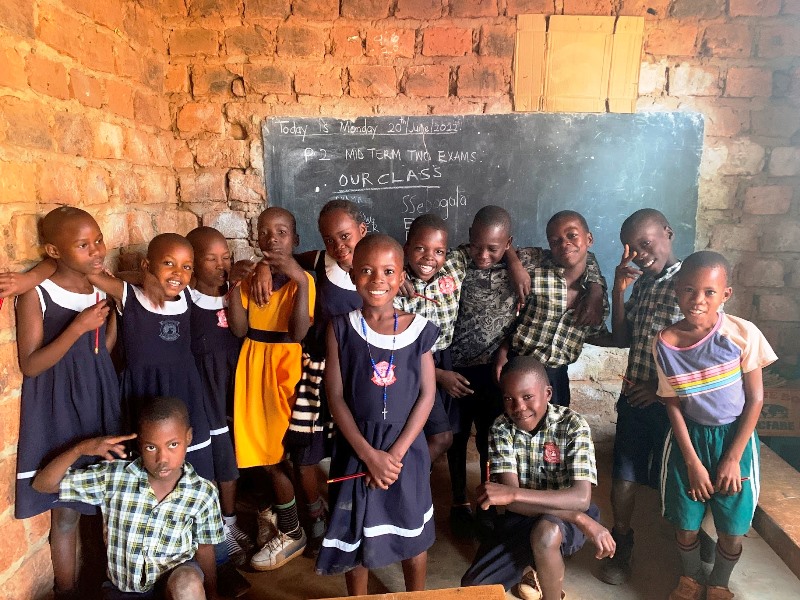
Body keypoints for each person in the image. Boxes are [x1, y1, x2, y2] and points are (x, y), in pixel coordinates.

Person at [316, 234, 439, 596]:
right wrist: (370, 456)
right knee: (355, 527)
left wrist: (394, 456)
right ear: (353, 275)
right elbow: (335, 397)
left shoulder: (418, 329)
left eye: (388, 271)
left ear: (402, 278)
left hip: (405, 451)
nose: (378, 280)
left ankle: (414, 594)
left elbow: (428, 394)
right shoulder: (340, 328)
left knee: (411, 528)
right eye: (366, 271)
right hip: (357, 447)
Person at [12, 207, 121, 600]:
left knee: (106, 496)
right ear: (53, 251)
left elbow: (100, 347)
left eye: (97, 240)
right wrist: (78, 326)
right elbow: (31, 364)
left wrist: (101, 341)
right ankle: (67, 591)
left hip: (98, 397)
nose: (96, 251)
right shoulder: (36, 292)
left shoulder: (98, 285)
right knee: (66, 512)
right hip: (59, 407)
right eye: (83, 245)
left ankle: (108, 581)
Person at [654, 251, 777, 600]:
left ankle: (720, 582)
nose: (698, 300)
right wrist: (692, 462)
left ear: (726, 295)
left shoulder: (742, 334)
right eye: (689, 290)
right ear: (676, 290)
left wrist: (733, 457)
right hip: (688, 438)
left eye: (709, 292)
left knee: (733, 525)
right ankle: (691, 578)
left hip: (735, 438)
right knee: (686, 521)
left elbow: (754, 400)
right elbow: (673, 404)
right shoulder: (663, 343)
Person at [32, 396, 224, 600]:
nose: (162, 459)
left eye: (173, 444)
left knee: (188, 585)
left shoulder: (202, 493)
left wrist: (211, 594)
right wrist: (80, 449)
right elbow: (43, 484)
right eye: (151, 447)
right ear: (140, 444)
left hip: (173, 585)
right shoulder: (115, 477)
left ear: (188, 437)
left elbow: (204, 549)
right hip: (123, 590)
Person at [461, 356, 615, 600]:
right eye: (509, 399)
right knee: (473, 586)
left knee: (546, 533)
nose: (518, 407)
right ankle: (532, 567)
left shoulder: (573, 425)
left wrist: (513, 493)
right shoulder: (502, 428)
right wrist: (576, 516)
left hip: (561, 524)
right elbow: (513, 503)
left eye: (527, 397)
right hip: (524, 516)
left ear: (548, 393)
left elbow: (581, 498)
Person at [227, 207, 315, 571]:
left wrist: (300, 281)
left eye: (281, 232)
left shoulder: (304, 279)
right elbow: (238, 329)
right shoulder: (249, 277)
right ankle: (283, 521)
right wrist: (234, 285)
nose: (272, 239)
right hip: (253, 367)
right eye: (264, 232)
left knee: (278, 456)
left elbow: (297, 333)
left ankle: (294, 531)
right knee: (261, 453)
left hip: (285, 369)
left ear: (294, 239)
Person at [89, 233, 216, 482]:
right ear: (147, 265)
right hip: (141, 390)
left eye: (186, 267)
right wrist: (141, 278)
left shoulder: (188, 295)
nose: (178, 273)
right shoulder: (130, 296)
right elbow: (89, 274)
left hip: (184, 389)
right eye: (168, 263)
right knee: (147, 459)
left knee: (193, 461)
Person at [600, 208, 684, 585]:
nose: (640, 254)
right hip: (635, 396)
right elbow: (621, 339)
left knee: (676, 479)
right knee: (624, 475)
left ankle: (688, 553)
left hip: (674, 406)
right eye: (632, 249)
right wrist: (619, 293)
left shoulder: (691, 282)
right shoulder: (646, 285)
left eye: (645, 243)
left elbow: (704, 349)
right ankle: (622, 542)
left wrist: (662, 389)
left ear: (667, 232)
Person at [185, 226, 252, 566]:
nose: (221, 265)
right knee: (214, 462)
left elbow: (239, 331)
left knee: (231, 463)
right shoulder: (186, 300)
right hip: (204, 394)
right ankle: (217, 531)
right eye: (210, 259)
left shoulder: (234, 293)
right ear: (191, 263)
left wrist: (236, 288)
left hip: (232, 390)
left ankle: (230, 523)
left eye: (225, 257)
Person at [494, 210, 608, 408]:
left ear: (589, 238)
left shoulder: (596, 299)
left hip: (556, 377)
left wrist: (598, 289)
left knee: (553, 436)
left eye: (572, 235)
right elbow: (505, 243)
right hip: (518, 365)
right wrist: (515, 265)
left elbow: (594, 332)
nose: (564, 244)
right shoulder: (538, 264)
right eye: (555, 241)